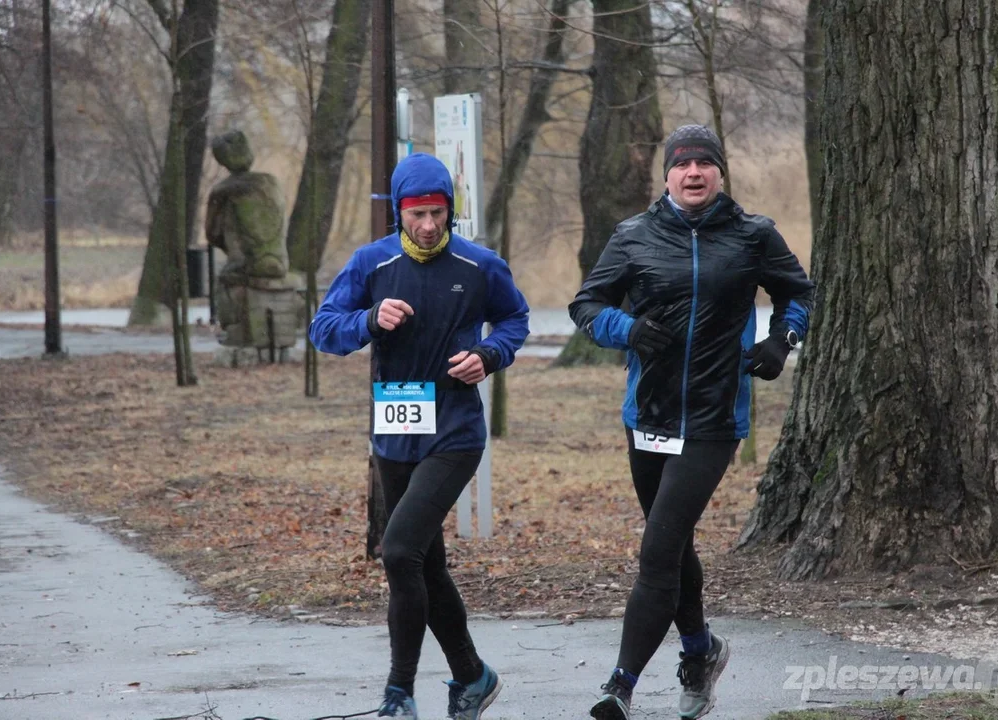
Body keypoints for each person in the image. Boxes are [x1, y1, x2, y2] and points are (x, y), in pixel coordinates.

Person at [569, 125, 814, 720]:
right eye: (683, 164)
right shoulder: (634, 235)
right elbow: (586, 306)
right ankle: (700, 651)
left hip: (711, 417)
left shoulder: (753, 234)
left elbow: (798, 292)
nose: (694, 172)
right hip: (647, 416)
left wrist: (782, 341)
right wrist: (626, 329)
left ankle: (619, 686)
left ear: (720, 174)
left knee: (657, 550)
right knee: (672, 547)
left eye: (706, 162)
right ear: (668, 176)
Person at [309, 152, 530, 720]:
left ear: (450, 211)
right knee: (426, 566)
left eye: (437, 213)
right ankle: (472, 677)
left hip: (454, 433)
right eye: (417, 214)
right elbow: (323, 329)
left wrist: (489, 354)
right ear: (399, 215)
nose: (428, 225)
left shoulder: (478, 265)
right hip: (394, 434)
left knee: (400, 549)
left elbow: (515, 320)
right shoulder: (372, 264)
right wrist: (367, 320)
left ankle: (398, 692)